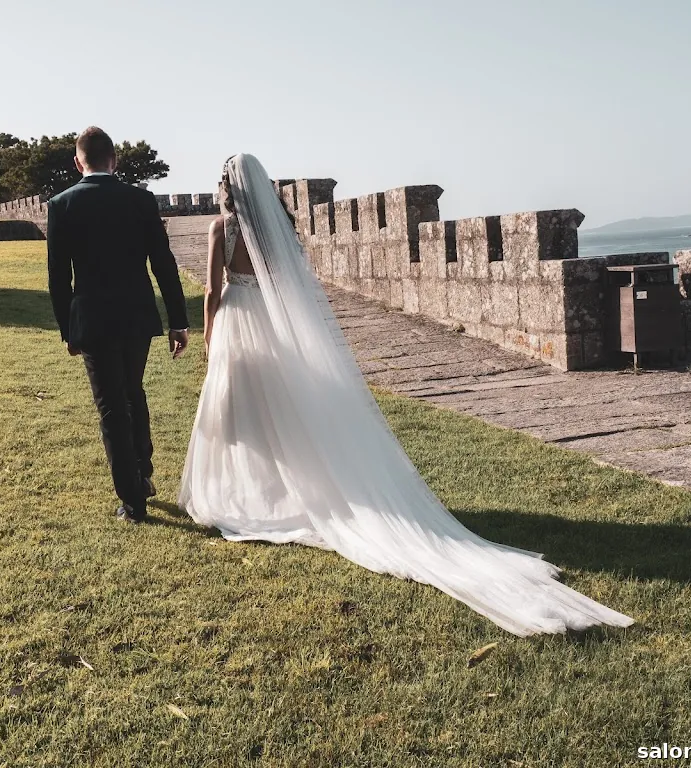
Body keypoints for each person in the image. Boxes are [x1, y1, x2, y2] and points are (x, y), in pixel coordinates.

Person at [178, 153, 634, 637]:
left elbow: (211, 291)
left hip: (239, 321)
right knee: (280, 413)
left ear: (227, 187)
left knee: (240, 413)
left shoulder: (221, 229)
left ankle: (250, 499)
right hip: (271, 324)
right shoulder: (276, 232)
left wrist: (210, 337)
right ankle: (278, 496)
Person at [48, 126, 189, 523]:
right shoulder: (140, 200)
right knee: (132, 392)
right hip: (136, 315)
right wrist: (178, 321)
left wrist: (68, 330)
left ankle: (133, 501)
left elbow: (59, 277)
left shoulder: (62, 204)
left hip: (93, 319)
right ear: (115, 160)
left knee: (112, 406)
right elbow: (163, 264)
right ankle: (141, 472)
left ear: (78, 163)